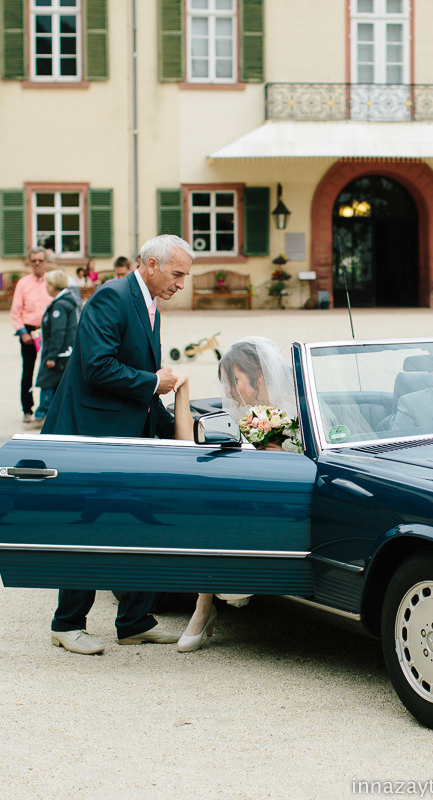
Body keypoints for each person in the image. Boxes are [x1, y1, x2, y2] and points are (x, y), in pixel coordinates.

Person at [40, 234, 194, 655]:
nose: (181, 284)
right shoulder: (112, 297)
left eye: (185, 276)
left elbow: (136, 378)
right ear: (150, 264)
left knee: (141, 525)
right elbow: (97, 367)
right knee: (92, 529)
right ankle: (67, 624)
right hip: (93, 437)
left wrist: (179, 423)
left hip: (126, 436)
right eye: (177, 274)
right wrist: (154, 382)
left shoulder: (147, 302)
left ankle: (134, 621)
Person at [173, 336, 298, 653]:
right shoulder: (244, 413)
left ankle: (204, 607)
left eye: (234, 380)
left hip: (290, 499)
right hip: (253, 498)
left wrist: (283, 455)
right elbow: (189, 445)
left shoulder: (296, 408)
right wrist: (182, 390)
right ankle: (203, 606)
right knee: (211, 508)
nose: (229, 390)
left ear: (258, 377)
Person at [10, 249, 53, 423]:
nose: (37, 263)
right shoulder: (23, 283)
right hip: (29, 331)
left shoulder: (51, 281)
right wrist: (22, 332)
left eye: (40, 260)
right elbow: (15, 311)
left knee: (50, 371)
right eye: (34, 260)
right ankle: (27, 409)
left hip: (48, 331)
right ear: (29, 263)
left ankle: (48, 408)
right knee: (28, 371)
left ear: (45, 262)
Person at [32, 270, 78, 426]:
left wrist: (52, 356)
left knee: (47, 382)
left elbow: (59, 332)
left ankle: (43, 415)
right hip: (64, 352)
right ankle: (54, 415)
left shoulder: (60, 305)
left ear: (54, 285)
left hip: (59, 354)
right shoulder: (66, 301)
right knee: (57, 384)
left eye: (48, 284)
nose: (46, 287)